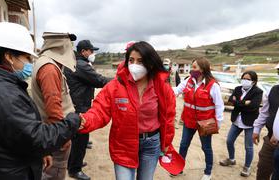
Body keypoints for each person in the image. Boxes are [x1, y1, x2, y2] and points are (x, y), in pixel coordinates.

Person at [0, 22, 80, 180]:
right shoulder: (0, 92)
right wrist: (72, 120)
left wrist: (36, 155)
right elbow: (35, 139)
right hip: (10, 173)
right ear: (9, 56)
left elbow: (17, 133)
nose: (29, 63)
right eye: (26, 57)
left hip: (14, 165)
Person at [78, 41, 184, 180]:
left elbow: (168, 117)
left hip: (151, 144)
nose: (135, 65)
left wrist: (166, 143)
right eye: (131, 60)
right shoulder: (116, 86)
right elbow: (99, 110)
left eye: (140, 61)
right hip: (123, 143)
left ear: (150, 63)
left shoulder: (161, 87)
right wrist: (86, 121)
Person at [31, 32, 77, 180]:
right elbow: (53, 105)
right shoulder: (49, 68)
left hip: (53, 131)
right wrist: (62, 136)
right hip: (55, 134)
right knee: (54, 173)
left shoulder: (47, 63)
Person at [64, 40, 111, 180]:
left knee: (75, 137)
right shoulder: (81, 65)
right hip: (80, 106)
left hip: (76, 103)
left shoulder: (75, 62)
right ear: (84, 51)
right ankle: (75, 169)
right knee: (80, 140)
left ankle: (72, 163)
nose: (93, 53)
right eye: (91, 51)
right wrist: (119, 80)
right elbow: (99, 80)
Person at [173, 57, 224, 180]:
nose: (192, 69)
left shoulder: (213, 85)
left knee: (206, 147)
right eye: (192, 66)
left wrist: (218, 123)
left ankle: (208, 172)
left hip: (206, 122)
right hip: (189, 120)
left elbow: (219, 105)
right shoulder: (188, 81)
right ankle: (178, 168)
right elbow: (176, 90)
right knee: (184, 144)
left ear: (202, 69)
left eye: (194, 67)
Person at [219, 71, 263, 177]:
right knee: (229, 140)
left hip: (250, 122)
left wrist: (238, 102)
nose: (245, 81)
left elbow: (253, 106)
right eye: (243, 78)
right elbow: (230, 100)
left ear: (253, 81)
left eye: (248, 79)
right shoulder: (238, 88)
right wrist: (244, 103)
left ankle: (247, 167)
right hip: (236, 120)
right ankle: (231, 159)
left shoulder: (258, 92)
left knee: (248, 146)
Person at [253, 79, 279, 180]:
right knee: (263, 168)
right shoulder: (273, 91)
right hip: (270, 140)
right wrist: (256, 129)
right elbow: (265, 112)